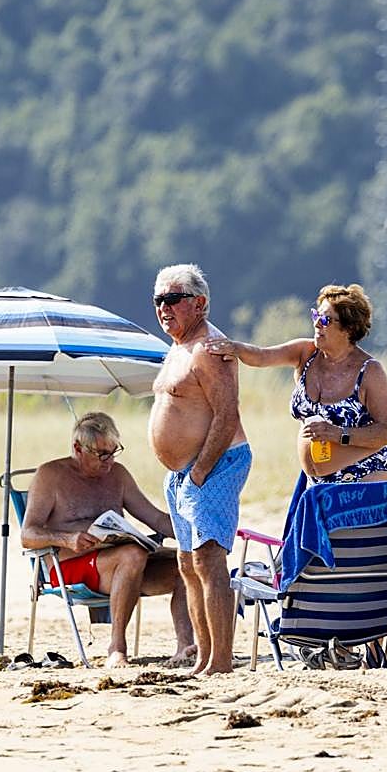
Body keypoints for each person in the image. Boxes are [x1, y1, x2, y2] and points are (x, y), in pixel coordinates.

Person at [20, 411, 195, 668]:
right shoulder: (51, 476)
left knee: (188, 562)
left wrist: (199, 533)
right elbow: (28, 535)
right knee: (132, 554)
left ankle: (185, 646)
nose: (109, 461)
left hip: (122, 565)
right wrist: (67, 539)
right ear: (78, 448)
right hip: (70, 565)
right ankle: (117, 648)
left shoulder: (118, 475)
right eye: (102, 454)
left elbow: (156, 519)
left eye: (114, 452)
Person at [148, 264, 252, 676]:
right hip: (181, 473)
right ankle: (204, 656)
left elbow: (227, 415)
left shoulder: (210, 348)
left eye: (173, 299)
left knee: (209, 561)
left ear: (200, 303)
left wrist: (200, 470)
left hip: (214, 464)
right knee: (187, 566)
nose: (164, 308)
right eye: (158, 300)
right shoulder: (177, 347)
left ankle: (221, 661)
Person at [204, 283, 387, 483]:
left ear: (348, 328)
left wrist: (338, 434)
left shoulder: (369, 371)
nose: (316, 324)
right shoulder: (306, 353)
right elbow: (262, 356)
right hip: (316, 483)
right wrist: (234, 347)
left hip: (364, 475)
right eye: (316, 316)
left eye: (325, 320)